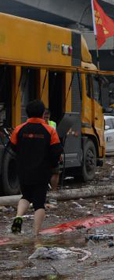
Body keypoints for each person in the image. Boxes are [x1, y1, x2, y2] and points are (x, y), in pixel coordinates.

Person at [9, 100, 63, 236]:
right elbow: (56, 151)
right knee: (39, 203)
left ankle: (18, 216)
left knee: (26, 195)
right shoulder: (50, 130)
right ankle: (35, 233)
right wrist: (52, 164)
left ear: (27, 113)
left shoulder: (19, 129)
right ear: (42, 113)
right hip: (42, 170)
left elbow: (12, 146)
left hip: (23, 169)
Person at [43, 109, 60, 191]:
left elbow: (55, 138)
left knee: (55, 171)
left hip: (51, 150)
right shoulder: (39, 124)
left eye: (47, 115)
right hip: (43, 151)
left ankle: (53, 190)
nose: (46, 117)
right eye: (45, 115)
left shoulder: (53, 124)